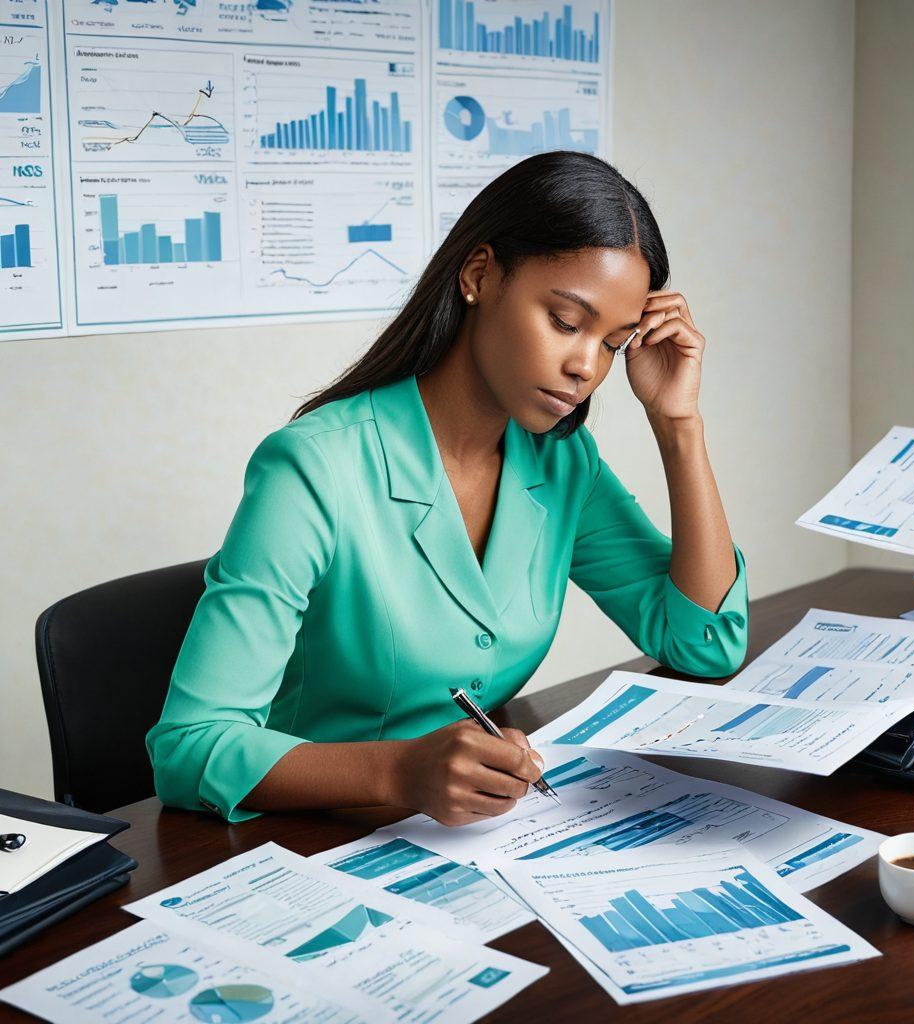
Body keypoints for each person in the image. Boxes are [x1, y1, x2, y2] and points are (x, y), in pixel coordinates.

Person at [146, 150, 749, 826]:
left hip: (476, 835)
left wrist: (678, 424)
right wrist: (400, 771)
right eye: (565, 321)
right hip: (310, 836)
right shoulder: (314, 467)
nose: (586, 366)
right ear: (479, 275)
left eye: (612, 343)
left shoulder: (560, 460)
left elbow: (705, 643)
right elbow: (189, 747)